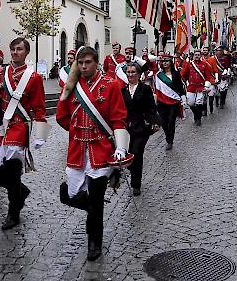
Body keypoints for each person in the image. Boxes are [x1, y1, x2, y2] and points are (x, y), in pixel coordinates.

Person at [57, 46, 131, 261]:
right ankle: (93, 209)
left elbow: (118, 118)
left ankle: (94, 241)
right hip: (77, 150)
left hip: (101, 151)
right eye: (80, 63)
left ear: (96, 62)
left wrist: (120, 147)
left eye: (88, 62)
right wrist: (76, 130)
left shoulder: (111, 85)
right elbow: (62, 117)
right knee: (68, 194)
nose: (83, 66)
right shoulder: (71, 86)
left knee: (96, 200)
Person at [0, 38, 49, 229]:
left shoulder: (34, 77)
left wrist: (40, 135)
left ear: (26, 52)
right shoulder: (0, 73)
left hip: (19, 127)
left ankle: (13, 213)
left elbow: (39, 107)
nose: (14, 52)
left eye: (19, 49)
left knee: (12, 172)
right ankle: (21, 192)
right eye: (12, 49)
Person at [122, 62, 160, 195]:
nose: (130, 75)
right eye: (128, 72)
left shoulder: (145, 89)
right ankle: (133, 172)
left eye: (133, 72)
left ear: (138, 74)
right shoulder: (123, 90)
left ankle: (136, 184)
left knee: (137, 153)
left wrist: (155, 122)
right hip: (127, 129)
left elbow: (151, 108)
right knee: (129, 153)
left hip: (141, 127)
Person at [154, 53, 186, 150]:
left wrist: (183, 97)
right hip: (162, 101)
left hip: (173, 101)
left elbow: (180, 86)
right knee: (164, 122)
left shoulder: (176, 74)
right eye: (163, 61)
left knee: (171, 121)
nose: (165, 63)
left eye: (166, 61)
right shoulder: (159, 75)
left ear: (170, 62)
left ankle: (170, 141)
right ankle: (168, 136)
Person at [180, 49, 214, 126]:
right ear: (193, 55)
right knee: (190, 103)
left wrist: (206, 86)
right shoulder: (189, 64)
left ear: (200, 55)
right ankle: (196, 114)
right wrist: (183, 81)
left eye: (198, 55)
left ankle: (198, 118)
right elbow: (184, 74)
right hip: (191, 87)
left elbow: (207, 76)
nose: (197, 56)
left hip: (200, 87)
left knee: (199, 103)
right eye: (196, 55)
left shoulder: (205, 64)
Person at [201, 46, 217, 115]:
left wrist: (216, 78)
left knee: (211, 97)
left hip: (211, 80)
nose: (204, 51)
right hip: (203, 80)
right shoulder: (200, 59)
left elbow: (215, 70)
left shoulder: (212, 59)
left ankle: (211, 107)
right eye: (204, 50)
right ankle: (204, 110)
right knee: (204, 98)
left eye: (206, 50)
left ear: (208, 51)